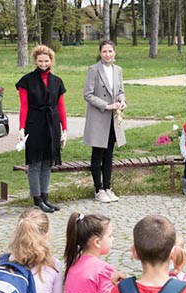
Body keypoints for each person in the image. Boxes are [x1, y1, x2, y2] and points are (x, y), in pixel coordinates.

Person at [16, 45, 68, 212]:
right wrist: (21, 128)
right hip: (35, 123)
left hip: (52, 124)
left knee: (47, 163)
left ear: (51, 61)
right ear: (35, 61)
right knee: (35, 163)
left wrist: (64, 129)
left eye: (46, 61)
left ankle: (45, 197)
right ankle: (37, 199)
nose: (43, 64)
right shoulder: (27, 81)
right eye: (40, 61)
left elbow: (61, 107)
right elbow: (23, 106)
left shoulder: (57, 81)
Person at [83, 40, 127, 204]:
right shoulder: (94, 70)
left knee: (109, 154)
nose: (107, 54)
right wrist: (106, 105)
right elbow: (87, 94)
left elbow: (121, 91)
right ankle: (98, 189)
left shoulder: (118, 70)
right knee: (98, 154)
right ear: (100, 53)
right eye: (104, 51)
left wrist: (122, 101)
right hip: (99, 117)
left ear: (114, 52)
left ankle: (108, 187)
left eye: (110, 51)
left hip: (113, 118)